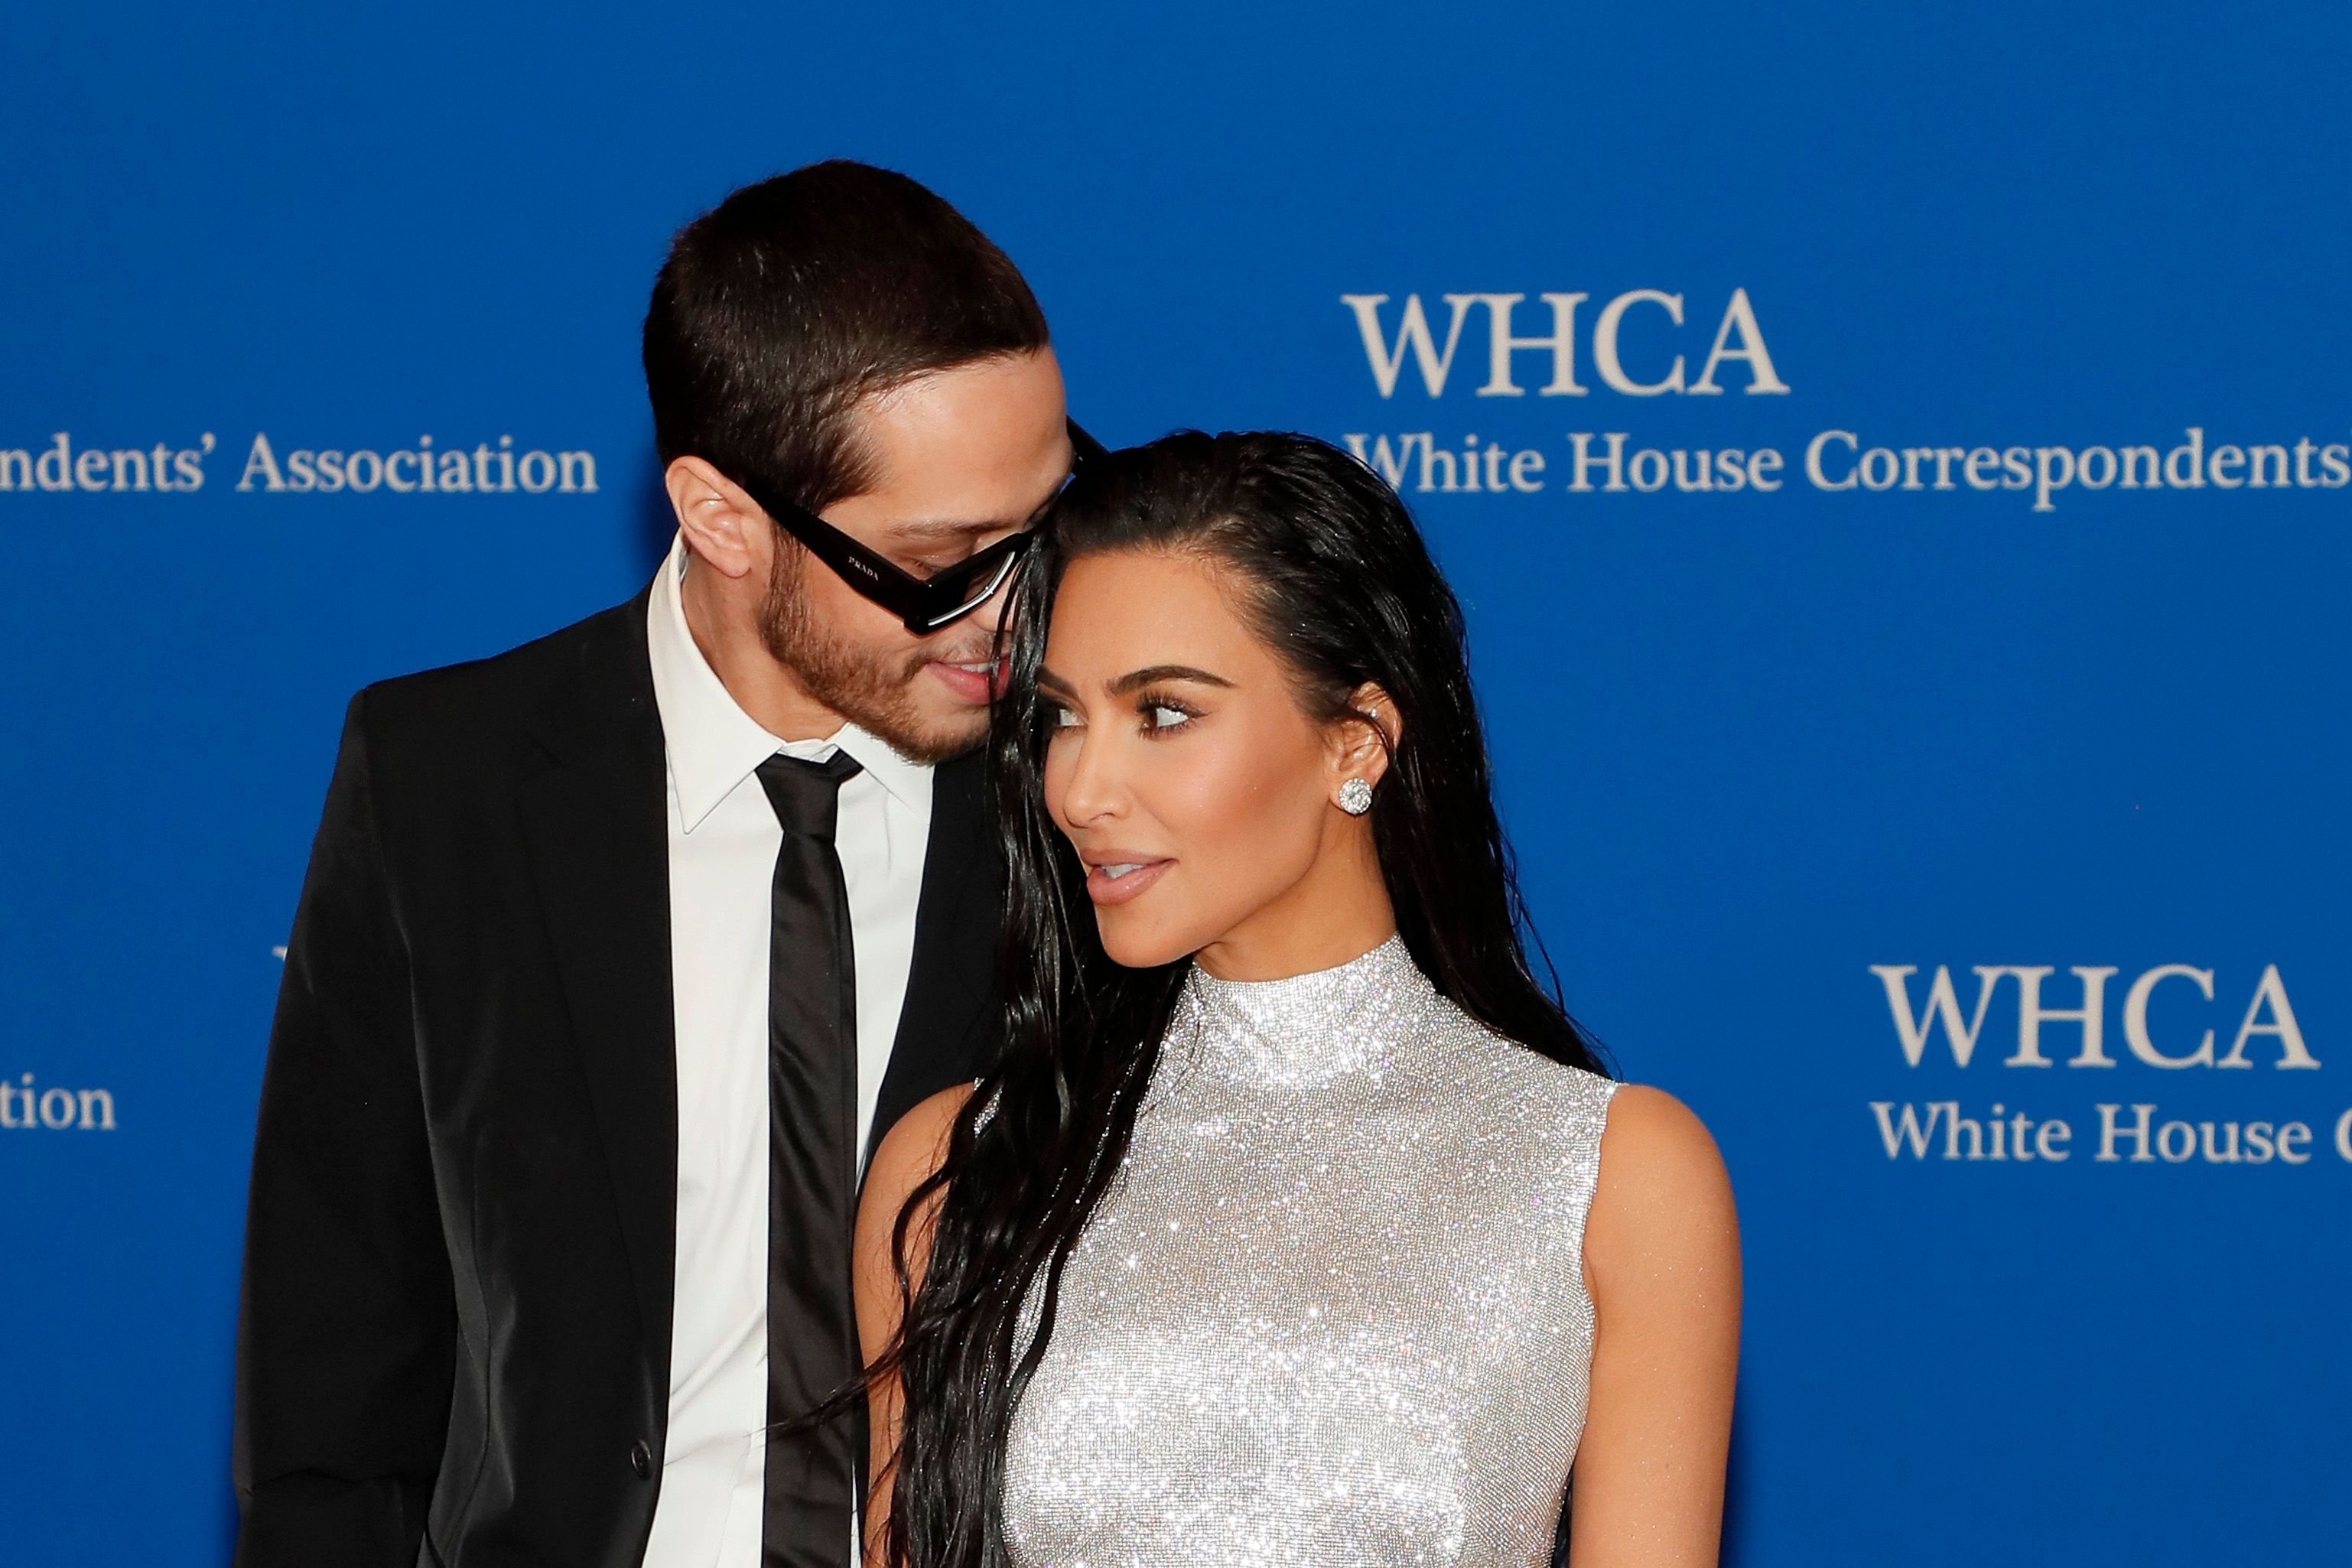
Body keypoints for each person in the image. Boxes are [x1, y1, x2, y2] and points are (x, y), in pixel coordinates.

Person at [234, 161, 1087, 1568]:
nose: (1009, 609)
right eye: (940, 560)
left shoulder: (1088, 789)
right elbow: (334, 1370)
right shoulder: (448, 777)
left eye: (1038, 528)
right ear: (724, 517)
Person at [855, 431, 1742, 1568]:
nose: (1079, 785)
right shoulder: (959, 1170)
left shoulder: (1610, 1176)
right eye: (1062, 715)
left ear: (1356, 740)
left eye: (1163, 712)